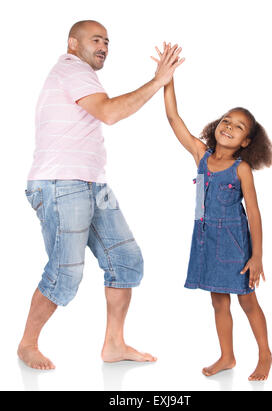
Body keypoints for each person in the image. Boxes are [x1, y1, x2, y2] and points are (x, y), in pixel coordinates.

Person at [18, 21, 183, 370]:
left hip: (91, 184)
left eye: (107, 41)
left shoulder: (82, 75)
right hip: (61, 184)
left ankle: (114, 345)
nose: (104, 46)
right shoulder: (71, 68)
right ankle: (27, 344)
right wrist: (158, 81)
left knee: (126, 260)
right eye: (96, 40)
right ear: (72, 43)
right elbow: (109, 112)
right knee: (65, 273)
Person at [156, 43, 272, 381]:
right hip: (207, 238)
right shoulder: (202, 155)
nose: (228, 127)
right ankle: (227, 356)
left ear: (246, 142)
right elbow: (173, 118)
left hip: (236, 243)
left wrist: (257, 257)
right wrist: (167, 79)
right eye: (226, 120)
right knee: (218, 302)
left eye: (238, 127)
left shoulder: (241, 170)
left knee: (247, 301)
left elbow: (253, 213)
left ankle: (265, 354)